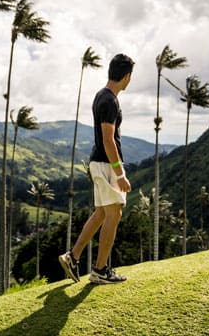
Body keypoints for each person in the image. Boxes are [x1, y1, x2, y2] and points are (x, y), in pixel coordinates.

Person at [59, 53, 134, 285]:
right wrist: (120, 173)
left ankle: (73, 256)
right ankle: (100, 270)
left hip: (98, 162)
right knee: (115, 213)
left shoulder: (101, 96)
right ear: (127, 76)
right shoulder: (110, 100)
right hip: (106, 164)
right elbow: (108, 139)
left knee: (102, 213)